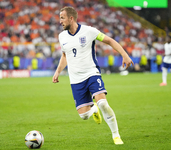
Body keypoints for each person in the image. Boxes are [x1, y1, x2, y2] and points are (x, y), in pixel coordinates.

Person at [52, 6, 134, 145]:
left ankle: (116, 135)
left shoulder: (89, 31)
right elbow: (65, 55)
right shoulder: (62, 36)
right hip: (75, 79)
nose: (60, 21)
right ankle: (93, 109)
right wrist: (58, 71)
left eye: (62, 18)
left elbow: (110, 41)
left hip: (91, 73)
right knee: (84, 115)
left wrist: (125, 55)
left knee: (102, 102)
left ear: (71, 18)